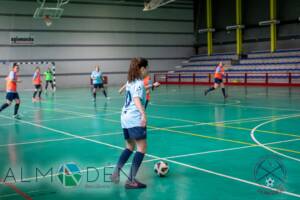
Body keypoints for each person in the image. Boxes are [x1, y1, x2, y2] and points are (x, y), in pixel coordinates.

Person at [111, 58, 147, 189]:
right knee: (141, 148)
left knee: (129, 146)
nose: (147, 71)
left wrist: (151, 87)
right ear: (142, 68)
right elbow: (137, 99)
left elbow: (131, 91)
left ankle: (115, 173)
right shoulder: (139, 83)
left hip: (124, 117)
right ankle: (131, 180)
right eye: (146, 68)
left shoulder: (130, 81)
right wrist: (143, 114)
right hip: (134, 118)